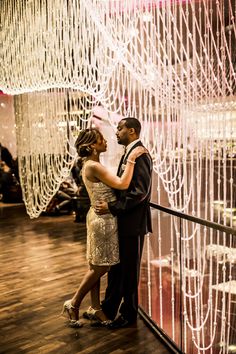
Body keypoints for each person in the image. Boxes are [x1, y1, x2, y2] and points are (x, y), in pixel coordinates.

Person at [61, 127, 147, 328]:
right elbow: (123, 184)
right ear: (92, 146)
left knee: (96, 265)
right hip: (103, 219)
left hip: (100, 217)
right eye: (101, 139)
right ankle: (73, 303)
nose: (107, 140)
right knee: (102, 266)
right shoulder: (94, 166)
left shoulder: (91, 163)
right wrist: (132, 158)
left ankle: (96, 307)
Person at [94, 117, 153, 329]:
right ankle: (108, 309)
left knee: (129, 271)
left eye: (120, 128)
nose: (116, 132)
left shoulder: (141, 155)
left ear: (132, 131)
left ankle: (129, 315)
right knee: (117, 270)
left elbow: (139, 192)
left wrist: (112, 207)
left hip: (133, 224)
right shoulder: (130, 152)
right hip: (124, 222)